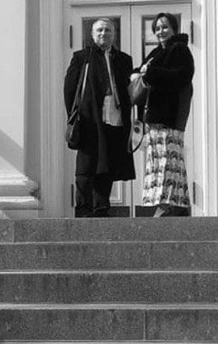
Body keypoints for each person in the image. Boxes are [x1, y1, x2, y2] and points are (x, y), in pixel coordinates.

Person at [63, 17, 136, 217]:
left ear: (114, 34)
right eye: (100, 30)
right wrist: (74, 115)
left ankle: (101, 208)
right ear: (92, 34)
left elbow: (129, 89)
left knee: (107, 164)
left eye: (108, 30)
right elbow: (69, 89)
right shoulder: (82, 57)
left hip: (115, 117)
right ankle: (83, 209)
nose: (104, 34)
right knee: (86, 166)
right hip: (89, 118)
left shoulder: (124, 59)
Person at [136, 12, 194, 216]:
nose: (161, 31)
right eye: (157, 28)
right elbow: (142, 73)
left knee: (168, 163)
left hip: (169, 117)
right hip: (154, 118)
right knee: (159, 163)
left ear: (174, 29)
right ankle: (171, 205)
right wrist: (137, 73)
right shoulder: (156, 53)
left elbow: (182, 77)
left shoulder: (179, 49)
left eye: (165, 27)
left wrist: (150, 73)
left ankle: (167, 206)